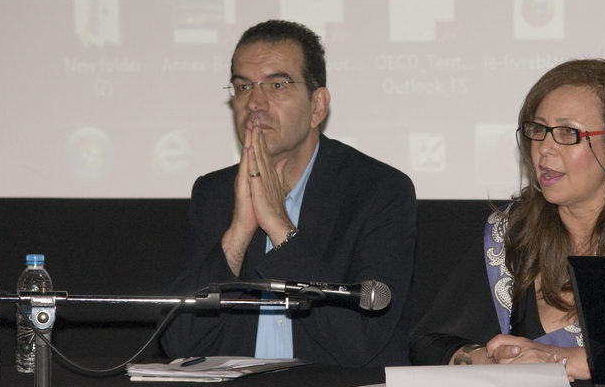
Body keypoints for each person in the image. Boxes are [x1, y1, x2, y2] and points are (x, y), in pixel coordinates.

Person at [409, 58, 605, 379]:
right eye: (538, 130)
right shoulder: (516, 228)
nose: (544, 149)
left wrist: (559, 360)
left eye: (568, 133)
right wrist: (494, 360)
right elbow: (428, 342)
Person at [161, 20, 416, 367]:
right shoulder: (214, 192)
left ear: (318, 106)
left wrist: (281, 230)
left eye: (277, 85)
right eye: (243, 87)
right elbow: (179, 342)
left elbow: (360, 341)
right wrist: (238, 234)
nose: (255, 102)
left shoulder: (378, 191)